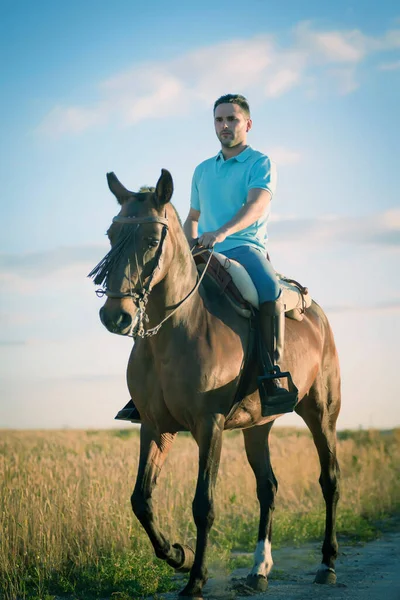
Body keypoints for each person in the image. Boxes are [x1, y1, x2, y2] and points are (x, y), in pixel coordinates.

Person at [115, 94, 297, 423]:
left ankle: (272, 377)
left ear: (247, 124)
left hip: (244, 247)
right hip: (203, 251)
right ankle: (145, 387)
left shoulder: (260, 163)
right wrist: (185, 246)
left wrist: (223, 233)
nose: (225, 125)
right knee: (157, 291)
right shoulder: (202, 170)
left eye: (232, 119)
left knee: (269, 290)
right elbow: (192, 217)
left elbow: (255, 206)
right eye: (219, 120)